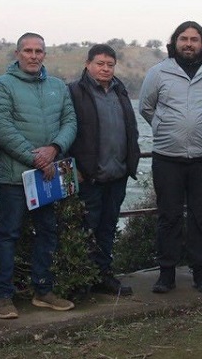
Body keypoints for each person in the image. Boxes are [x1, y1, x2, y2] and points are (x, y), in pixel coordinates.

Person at [139, 21, 202, 293]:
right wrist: (164, 127)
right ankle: (166, 273)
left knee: (201, 216)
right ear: (175, 41)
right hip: (167, 158)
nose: (188, 44)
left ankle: (201, 273)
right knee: (168, 216)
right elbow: (146, 107)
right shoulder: (158, 73)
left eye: (194, 39)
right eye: (184, 38)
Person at [0, 32, 77, 319]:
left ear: (45, 55)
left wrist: (54, 148)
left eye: (39, 50)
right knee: (8, 235)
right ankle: (2, 296)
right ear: (17, 54)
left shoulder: (57, 86)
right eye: (27, 50)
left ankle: (43, 291)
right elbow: (1, 127)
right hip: (16, 177)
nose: (33, 55)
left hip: (48, 177)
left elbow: (70, 121)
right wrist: (36, 158)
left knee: (48, 233)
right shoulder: (2, 86)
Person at [68, 44, 140, 296]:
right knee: (86, 229)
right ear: (88, 64)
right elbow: (65, 129)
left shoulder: (120, 91)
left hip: (118, 174)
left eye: (110, 65)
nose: (105, 69)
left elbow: (131, 128)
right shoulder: (74, 92)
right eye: (100, 64)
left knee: (108, 228)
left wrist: (132, 160)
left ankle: (103, 276)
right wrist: (72, 166)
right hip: (89, 176)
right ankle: (81, 281)